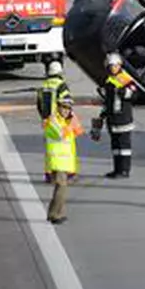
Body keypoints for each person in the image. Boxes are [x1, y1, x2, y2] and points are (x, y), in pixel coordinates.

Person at [92, 52, 136, 179]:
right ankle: (117, 169)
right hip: (112, 119)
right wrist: (102, 115)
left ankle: (124, 170)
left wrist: (122, 91)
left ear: (120, 66)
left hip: (124, 118)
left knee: (124, 146)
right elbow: (108, 101)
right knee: (115, 146)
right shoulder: (109, 81)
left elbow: (134, 94)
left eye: (115, 66)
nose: (113, 68)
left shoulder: (125, 79)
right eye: (111, 66)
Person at [44, 95, 84, 225]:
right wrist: (70, 125)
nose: (66, 110)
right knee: (61, 188)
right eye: (64, 107)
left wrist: (73, 121)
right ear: (58, 107)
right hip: (57, 161)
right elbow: (59, 134)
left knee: (60, 189)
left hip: (66, 161)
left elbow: (78, 132)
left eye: (69, 108)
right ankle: (56, 215)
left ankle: (53, 213)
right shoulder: (53, 120)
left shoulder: (66, 120)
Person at [38, 61, 73, 183]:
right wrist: (69, 118)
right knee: (64, 149)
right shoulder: (61, 85)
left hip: (47, 121)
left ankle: (49, 174)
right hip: (59, 120)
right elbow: (66, 103)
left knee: (50, 150)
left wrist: (44, 118)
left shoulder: (44, 86)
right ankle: (66, 173)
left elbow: (39, 104)